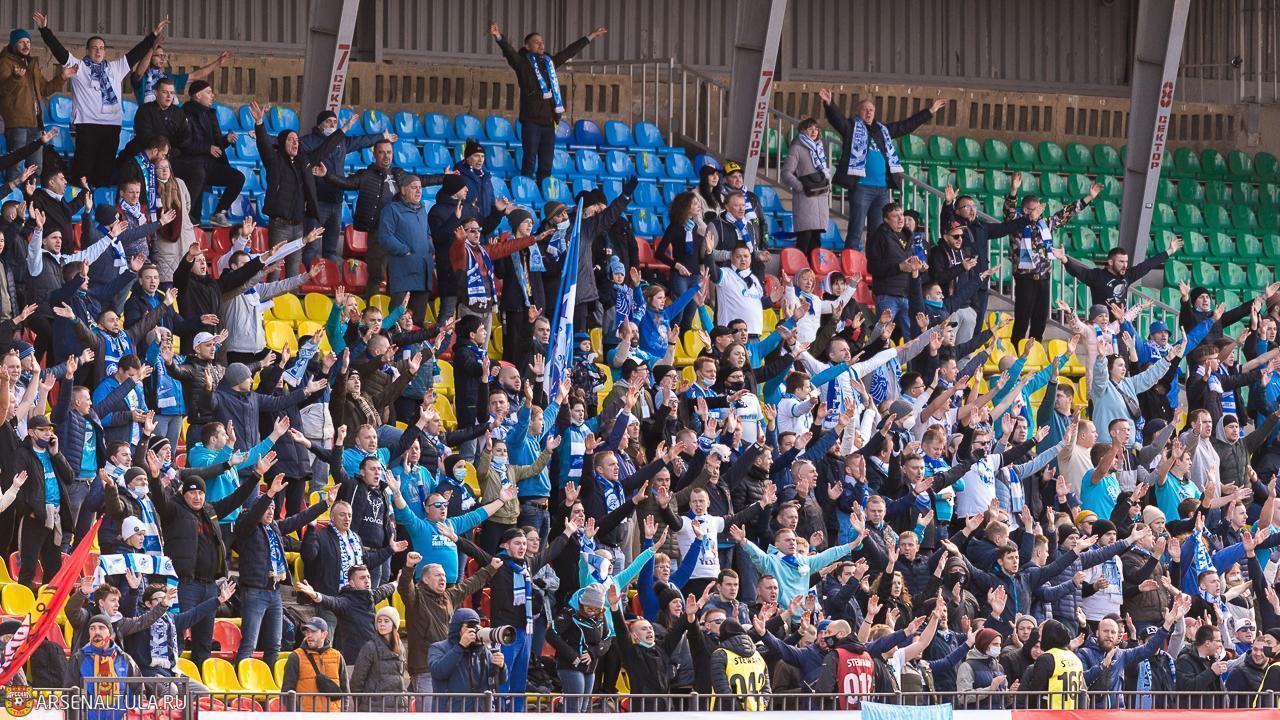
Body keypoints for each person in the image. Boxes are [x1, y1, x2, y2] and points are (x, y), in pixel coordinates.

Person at [34, 12, 164, 186]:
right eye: (94, 48)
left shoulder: (115, 68)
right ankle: (81, 200)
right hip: (87, 125)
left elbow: (136, 53)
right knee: (83, 170)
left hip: (111, 126)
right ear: (88, 51)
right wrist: (44, 30)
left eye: (102, 48)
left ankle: (100, 200)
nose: (98, 51)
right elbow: (58, 50)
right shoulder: (79, 67)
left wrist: (153, 35)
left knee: (105, 170)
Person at [819, 89, 946, 249]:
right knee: (856, 230)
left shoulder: (882, 130)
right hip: (862, 187)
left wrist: (929, 111)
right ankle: (850, 262)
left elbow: (905, 126)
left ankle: (874, 262)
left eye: (871, 110)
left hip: (882, 190)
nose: (868, 112)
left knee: (878, 232)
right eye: (865, 109)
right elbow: (837, 120)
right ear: (858, 112)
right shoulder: (851, 127)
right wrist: (829, 104)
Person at [489, 21, 607, 182]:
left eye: (542, 42)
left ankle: (543, 190)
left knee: (546, 162)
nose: (541, 44)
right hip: (531, 121)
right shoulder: (522, 63)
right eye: (536, 42)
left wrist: (590, 36)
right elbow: (509, 52)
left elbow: (568, 52)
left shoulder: (548, 63)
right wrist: (498, 37)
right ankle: (526, 187)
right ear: (527, 46)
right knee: (530, 158)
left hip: (549, 121)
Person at [247, 100, 345, 278]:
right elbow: (263, 145)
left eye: (297, 140)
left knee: (294, 270)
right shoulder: (274, 160)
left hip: (299, 224)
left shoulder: (304, 162)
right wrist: (260, 123)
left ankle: (292, 296)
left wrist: (342, 130)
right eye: (290, 139)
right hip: (279, 224)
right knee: (275, 268)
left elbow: (324, 149)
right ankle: (271, 297)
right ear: (282, 142)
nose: (295, 143)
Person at [300, 110, 392, 264]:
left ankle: (330, 277)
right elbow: (292, 147)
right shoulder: (309, 141)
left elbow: (361, 141)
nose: (332, 124)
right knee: (312, 248)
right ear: (319, 124)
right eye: (328, 121)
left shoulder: (341, 141)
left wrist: (381, 136)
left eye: (335, 122)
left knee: (331, 250)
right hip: (317, 203)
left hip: (337, 203)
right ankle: (308, 276)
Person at [0, 18, 70, 182]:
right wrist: (15, 78)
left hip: (36, 123)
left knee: (36, 167)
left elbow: (44, 89)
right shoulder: (5, 63)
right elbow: (2, 91)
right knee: (16, 167)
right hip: (17, 124)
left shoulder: (31, 64)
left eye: (28, 42)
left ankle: (33, 196)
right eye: (21, 42)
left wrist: (62, 77)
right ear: (13, 44)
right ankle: (13, 197)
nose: (26, 46)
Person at [177, 80, 244, 228]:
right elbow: (184, 144)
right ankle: (189, 226)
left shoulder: (210, 114)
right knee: (194, 215)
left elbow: (215, 145)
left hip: (210, 165)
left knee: (238, 178)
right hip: (192, 166)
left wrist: (226, 140)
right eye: (208, 92)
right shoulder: (184, 114)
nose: (212, 95)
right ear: (198, 95)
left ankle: (219, 213)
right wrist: (207, 148)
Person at [430, 607, 507, 711]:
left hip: (480, 713)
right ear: (457, 628)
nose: (474, 630)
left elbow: (499, 681)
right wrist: (460, 646)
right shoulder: (438, 648)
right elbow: (438, 672)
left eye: (476, 626)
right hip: (451, 712)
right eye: (470, 626)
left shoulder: (483, 651)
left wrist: (501, 667)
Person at [780, 118, 831, 257]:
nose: (814, 131)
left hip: (820, 197)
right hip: (806, 198)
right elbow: (786, 173)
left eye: (816, 128)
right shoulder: (796, 148)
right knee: (804, 239)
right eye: (810, 129)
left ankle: (812, 269)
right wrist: (800, 187)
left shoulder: (819, 147)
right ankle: (799, 268)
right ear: (802, 131)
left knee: (816, 241)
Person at [281, 617, 350, 712]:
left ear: (324, 634)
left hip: (333, 715)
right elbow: (287, 691)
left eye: (313, 632)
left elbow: (345, 690)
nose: (309, 635)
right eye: (307, 632)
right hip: (306, 715)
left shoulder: (337, 656)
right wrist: (296, 714)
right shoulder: (296, 656)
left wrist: (343, 712)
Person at [349, 605, 408, 711]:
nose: (382, 624)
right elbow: (357, 680)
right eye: (379, 621)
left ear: (394, 624)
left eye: (386, 621)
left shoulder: (401, 647)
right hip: (373, 707)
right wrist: (361, 703)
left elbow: (401, 677)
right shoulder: (370, 647)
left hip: (397, 707)